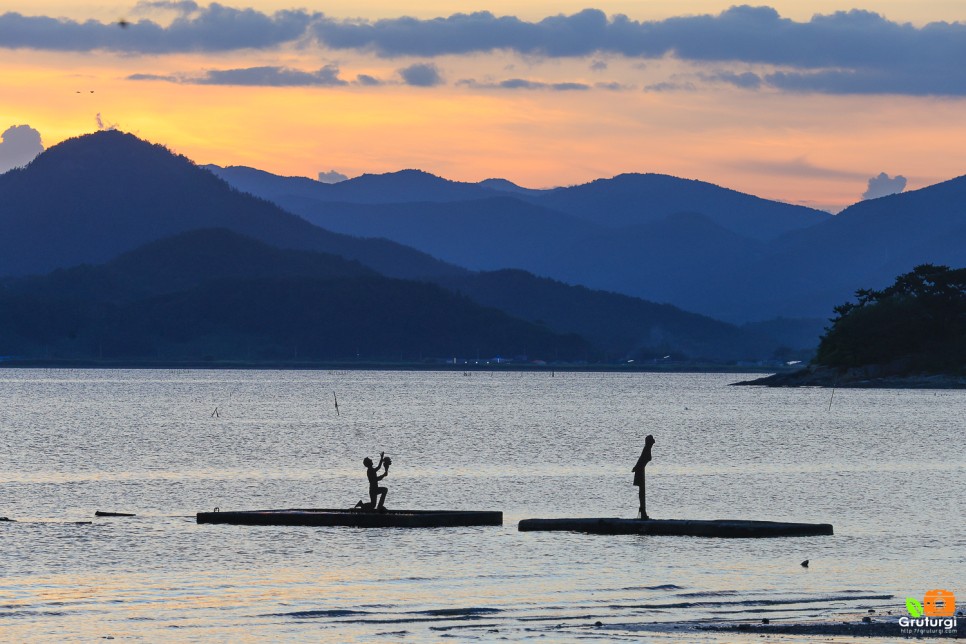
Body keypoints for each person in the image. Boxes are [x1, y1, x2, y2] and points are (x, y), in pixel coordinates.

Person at [632, 435, 655, 519]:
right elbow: (641, 460)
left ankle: (643, 510)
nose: (653, 443)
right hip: (640, 471)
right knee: (642, 491)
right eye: (652, 441)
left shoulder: (647, 449)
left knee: (642, 491)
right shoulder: (646, 449)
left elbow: (642, 459)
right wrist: (636, 467)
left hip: (641, 470)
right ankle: (643, 511)